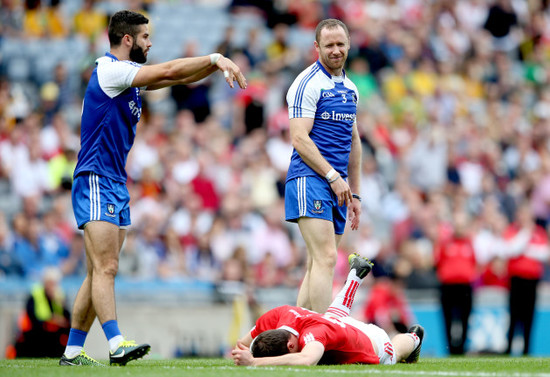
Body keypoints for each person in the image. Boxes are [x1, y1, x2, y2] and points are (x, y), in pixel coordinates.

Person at [60, 10, 247, 367]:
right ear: (127, 39)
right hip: (96, 177)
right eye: (145, 37)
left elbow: (175, 79)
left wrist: (212, 68)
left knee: (97, 270)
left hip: (113, 180)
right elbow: (169, 71)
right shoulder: (112, 71)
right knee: (107, 266)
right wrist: (215, 57)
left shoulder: (127, 77)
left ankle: (72, 351)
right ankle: (116, 344)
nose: (151, 42)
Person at [284, 18, 362, 313]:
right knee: (327, 258)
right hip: (311, 178)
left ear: (349, 44)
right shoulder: (307, 83)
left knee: (317, 264)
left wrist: (355, 193)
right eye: (329, 45)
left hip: (338, 185)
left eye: (341, 44)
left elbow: (354, 143)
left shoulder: (351, 88)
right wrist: (331, 176)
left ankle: (291, 333)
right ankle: (324, 337)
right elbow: (298, 138)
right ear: (317, 47)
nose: (336, 50)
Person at [231, 254, 424, 366]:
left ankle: (413, 339)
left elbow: (306, 359)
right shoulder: (281, 313)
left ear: (290, 346)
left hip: (374, 341)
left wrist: (254, 362)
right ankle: (355, 277)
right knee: (330, 317)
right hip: (338, 323)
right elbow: (242, 344)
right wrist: (246, 354)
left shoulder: (313, 337)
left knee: (394, 354)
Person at [503, 203, 550, 355]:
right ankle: (508, 348)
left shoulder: (539, 232)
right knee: (514, 315)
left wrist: (526, 250)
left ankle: (526, 351)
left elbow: (545, 253)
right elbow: (511, 249)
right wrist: (525, 235)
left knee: (529, 317)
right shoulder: (513, 230)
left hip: (531, 281)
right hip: (516, 279)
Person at [433, 211, 477, 355]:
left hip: (465, 287)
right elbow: (437, 262)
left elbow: (476, 263)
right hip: (448, 287)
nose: (460, 229)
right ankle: (450, 349)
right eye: (457, 225)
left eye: (462, 226)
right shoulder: (445, 244)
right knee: (447, 319)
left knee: (465, 318)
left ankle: (462, 348)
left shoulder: (470, 244)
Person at [13, 267, 71, 358]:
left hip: (54, 335)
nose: (52, 287)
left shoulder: (60, 297)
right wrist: (51, 321)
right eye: (50, 283)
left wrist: (61, 304)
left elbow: (68, 319)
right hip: (37, 334)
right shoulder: (35, 295)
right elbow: (32, 317)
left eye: (54, 284)